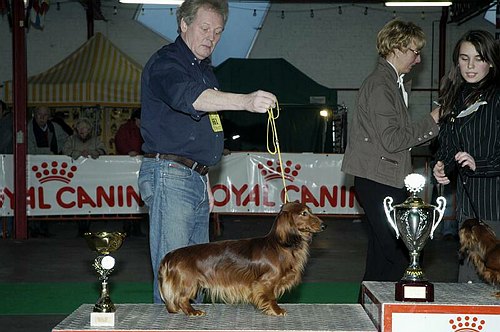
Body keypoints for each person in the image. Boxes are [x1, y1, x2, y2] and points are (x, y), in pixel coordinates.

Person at [138, 0, 277, 304]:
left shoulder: (204, 72)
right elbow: (190, 98)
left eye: (218, 32)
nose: (211, 37)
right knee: (175, 272)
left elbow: (207, 129)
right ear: (183, 25)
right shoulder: (167, 63)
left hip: (194, 179)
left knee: (197, 272)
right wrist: (245, 101)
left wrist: (206, 180)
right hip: (170, 175)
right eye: (204, 28)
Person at [341, 19, 441, 283]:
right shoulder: (381, 85)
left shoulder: (391, 83)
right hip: (379, 181)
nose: (418, 59)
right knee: (398, 255)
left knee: (380, 255)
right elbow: (392, 140)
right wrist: (433, 120)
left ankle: (368, 312)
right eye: (414, 51)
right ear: (396, 48)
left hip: (381, 179)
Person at [432, 30, 500, 283]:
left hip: (495, 207)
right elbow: (448, 145)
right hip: (467, 210)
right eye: (464, 58)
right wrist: (442, 166)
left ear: (491, 61)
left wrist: (478, 164)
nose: (470, 66)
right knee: (469, 281)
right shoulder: (454, 97)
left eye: (478, 58)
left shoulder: (497, 97)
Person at [27, 106, 69, 237]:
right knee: (34, 198)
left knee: (47, 199)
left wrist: (66, 152)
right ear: (34, 115)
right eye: (40, 114)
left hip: (50, 170)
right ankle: (34, 227)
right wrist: (50, 153)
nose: (42, 117)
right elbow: (29, 149)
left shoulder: (55, 127)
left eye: (45, 115)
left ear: (49, 116)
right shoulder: (28, 129)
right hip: (33, 170)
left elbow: (67, 140)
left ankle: (43, 227)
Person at [114, 108, 145, 236]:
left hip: (139, 166)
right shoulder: (125, 129)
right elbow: (119, 143)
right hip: (127, 167)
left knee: (138, 196)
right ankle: (127, 226)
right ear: (136, 119)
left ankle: (136, 226)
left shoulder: (143, 129)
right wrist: (128, 152)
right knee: (128, 196)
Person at [0, 100, 14, 238]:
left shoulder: (5, 124)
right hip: (6, 164)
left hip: (5, 165)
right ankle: (6, 228)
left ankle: (6, 228)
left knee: (5, 197)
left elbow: (3, 143)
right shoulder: (8, 122)